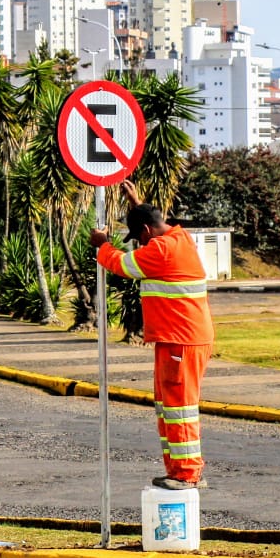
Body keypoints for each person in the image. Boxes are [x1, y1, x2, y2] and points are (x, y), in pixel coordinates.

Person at [89, 178, 214, 491]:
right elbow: (152, 221)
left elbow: (121, 263)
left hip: (179, 341)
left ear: (145, 233)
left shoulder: (160, 251)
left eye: (139, 238)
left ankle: (186, 474)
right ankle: (179, 471)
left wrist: (101, 245)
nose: (141, 243)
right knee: (170, 406)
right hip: (181, 338)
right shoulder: (179, 237)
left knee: (179, 407)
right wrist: (136, 203)